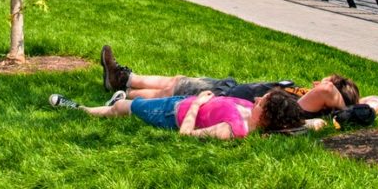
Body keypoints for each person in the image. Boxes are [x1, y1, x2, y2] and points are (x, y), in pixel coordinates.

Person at [99, 45, 358, 115]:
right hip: (230, 87)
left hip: (226, 97)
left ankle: (123, 88)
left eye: (326, 81)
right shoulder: (310, 101)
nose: (318, 83)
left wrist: (346, 108)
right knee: (176, 81)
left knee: (171, 90)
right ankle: (124, 80)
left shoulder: (312, 106)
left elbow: (326, 90)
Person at [49, 87, 306, 138]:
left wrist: (197, 105)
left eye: (263, 102)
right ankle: (113, 101)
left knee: (121, 108)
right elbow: (311, 122)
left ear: (266, 116)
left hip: (171, 113)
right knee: (131, 99)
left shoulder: (233, 129)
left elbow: (185, 135)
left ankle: (78, 108)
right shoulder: (252, 116)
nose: (258, 99)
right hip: (182, 101)